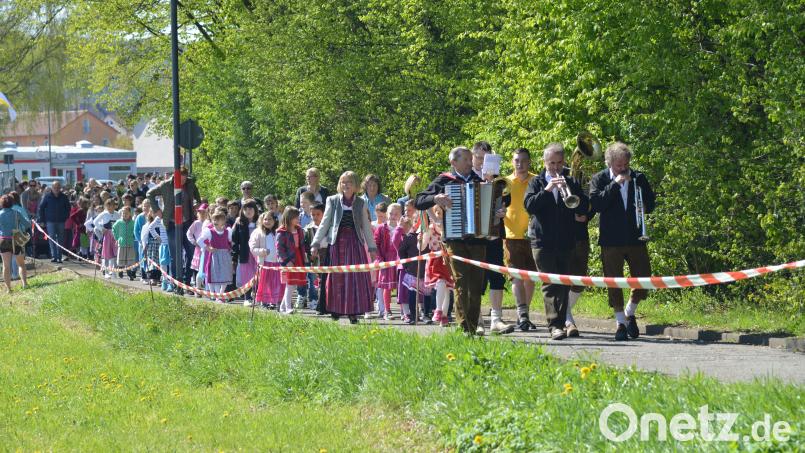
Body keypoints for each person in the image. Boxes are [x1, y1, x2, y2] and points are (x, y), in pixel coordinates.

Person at [415, 146, 487, 334]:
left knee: (476, 283)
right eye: (466, 160)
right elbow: (419, 201)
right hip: (455, 239)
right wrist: (435, 197)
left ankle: (473, 325)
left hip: (477, 240)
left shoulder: (478, 180)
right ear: (453, 162)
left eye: (471, 160)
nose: (470, 163)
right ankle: (465, 327)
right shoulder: (444, 180)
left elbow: (495, 201)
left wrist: (497, 209)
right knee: (462, 282)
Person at [589, 141, 655, 341]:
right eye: (619, 165)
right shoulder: (599, 179)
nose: (624, 169)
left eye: (626, 164)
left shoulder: (638, 178)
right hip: (611, 239)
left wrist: (644, 205)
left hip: (635, 237)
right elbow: (597, 203)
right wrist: (615, 184)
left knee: (643, 279)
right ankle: (620, 323)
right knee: (613, 282)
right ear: (610, 163)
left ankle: (629, 312)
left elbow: (651, 203)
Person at [524, 143, 589, 340]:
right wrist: (548, 189)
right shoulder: (536, 183)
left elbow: (584, 206)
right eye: (551, 163)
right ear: (544, 163)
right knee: (550, 283)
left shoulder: (570, 181)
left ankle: (561, 322)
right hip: (542, 241)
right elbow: (529, 206)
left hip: (565, 241)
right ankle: (554, 325)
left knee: (563, 284)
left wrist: (571, 192)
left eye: (559, 163)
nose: (555, 167)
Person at [311, 171, 377, 324]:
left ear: (355, 186)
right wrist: (315, 243)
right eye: (343, 182)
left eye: (349, 183)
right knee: (337, 277)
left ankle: (353, 311)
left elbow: (366, 226)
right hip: (338, 243)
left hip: (355, 243)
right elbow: (325, 223)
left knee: (355, 277)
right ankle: (335, 309)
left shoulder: (361, 202)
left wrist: (372, 248)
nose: (346, 185)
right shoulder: (332, 200)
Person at [470, 141, 515, 335]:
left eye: (486, 159)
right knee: (476, 279)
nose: (482, 163)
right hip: (472, 237)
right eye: (479, 158)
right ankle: (477, 320)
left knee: (497, 276)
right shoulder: (466, 178)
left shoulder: (500, 181)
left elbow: (506, 201)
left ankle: (496, 319)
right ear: (473, 157)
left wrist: (502, 211)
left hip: (495, 235)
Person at [146, 167, 201, 286]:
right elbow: (149, 194)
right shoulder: (166, 185)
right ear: (175, 177)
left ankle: (186, 281)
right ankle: (177, 281)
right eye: (180, 180)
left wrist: (197, 204)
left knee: (191, 252)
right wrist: (157, 210)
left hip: (187, 222)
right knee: (175, 254)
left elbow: (197, 197)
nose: (183, 182)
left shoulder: (190, 184)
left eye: (184, 180)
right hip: (171, 223)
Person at [504, 148, 539, 332]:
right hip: (512, 236)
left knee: (530, 278)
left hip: (533, 236)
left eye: (524, 160)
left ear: (529, 162)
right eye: (517, 160)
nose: (520, 164)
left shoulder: (537, 180)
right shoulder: (504, 182)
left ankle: (524, 314)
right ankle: (522, 313)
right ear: (512, 162)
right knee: (516, 277)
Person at [373, 202, 403, 320]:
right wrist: (379, 259)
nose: (393, 216)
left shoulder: (402, 227)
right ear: (387, 214)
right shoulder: (381, 228)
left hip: (399, 260)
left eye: (396, 214)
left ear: (400, 215)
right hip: (386, 260)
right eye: (391, 213)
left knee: (401, 286)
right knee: (387, 287)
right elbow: (376, 244)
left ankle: (403, 311)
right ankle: (387, 310)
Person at [276, 206, 307, 314]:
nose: (298, 219)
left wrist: (304, 256)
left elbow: (302, 245)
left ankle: (283, 307)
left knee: (293, 285)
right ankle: (288, 307)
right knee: (289, 284)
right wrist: (286, 261)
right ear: (289, 218)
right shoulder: (282, 232)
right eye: (295, 217)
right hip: (289, 260)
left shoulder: (299, 229)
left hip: (298, 258)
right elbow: (279, 249)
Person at [198, 210, 234, 302]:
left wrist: (230, 248)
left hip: (225, 256)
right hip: (214, 256)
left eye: (219, 219)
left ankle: (220, 294)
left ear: (224, 220)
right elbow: (199, 241)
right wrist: (207, 248)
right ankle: (218, 296)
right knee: (215, 276)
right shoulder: (209, 232)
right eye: (215, 220)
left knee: (225, 275)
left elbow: (231, 241)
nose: (216, 222)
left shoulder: (227, 231)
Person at [250, 211, 284, 309]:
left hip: (277, 263)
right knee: (265, 283)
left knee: (277, 283)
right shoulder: (258, 232)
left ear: (275, 221)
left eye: (270, 219)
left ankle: (275, 301)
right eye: (265, 219)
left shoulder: (278, 231)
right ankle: (264, 301)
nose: (267, 221)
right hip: (265, 263)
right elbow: (252, 247)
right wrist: (262, 251)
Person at [0, 194, 31, 293]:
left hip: (4, 240)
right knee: (21, 264)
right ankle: (25, 284)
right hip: (17, 239)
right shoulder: (17, 213)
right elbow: (27, 224)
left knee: (6, 266)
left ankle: (8, 289)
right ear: (12, 203)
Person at [232, 199, 259, 306]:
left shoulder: (260, 223)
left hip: (258, 255)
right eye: (246, 209)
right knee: (247, 277)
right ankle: (247, 298)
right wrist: (234, 257)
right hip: (245, 254)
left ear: (255, 210)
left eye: (251, 208)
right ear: (242, 210)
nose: (248, 211)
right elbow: (235, 241)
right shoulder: (239, 223)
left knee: (258, 275)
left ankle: (257, 297)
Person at [38, 181, 71, 263]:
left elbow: (68, 208)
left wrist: (65, 217)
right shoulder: (47, 196)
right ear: (52, 188)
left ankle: (59, 257)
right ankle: (54, 256)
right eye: (55, 187)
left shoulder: (64, 197)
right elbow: (41, 208)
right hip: (50, 221)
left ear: (60, 188)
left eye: (58, 187)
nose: (56, 189)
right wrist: (42, 220)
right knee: (51, 238)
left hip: (61, 221)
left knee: (60, 239)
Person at [302, 203, 325, 310]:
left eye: (318, 214)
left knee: (325, 281)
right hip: (314, 260)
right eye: (313, 215)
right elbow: (305, 244)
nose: (315, 217)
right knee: (313, 281)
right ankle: (314, 300)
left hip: (326, 258)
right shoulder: (308, 229)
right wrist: (309, 255)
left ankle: (326, 302)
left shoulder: (328, 227)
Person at [185, 203, 209, 296]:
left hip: (207, 248)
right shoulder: (196, 223)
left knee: (206, 267)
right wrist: (194, 242)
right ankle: (197, 287)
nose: (202, 214)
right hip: (199, 248)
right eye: (200, 212)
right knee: (197, 267)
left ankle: (206, 287)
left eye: (204, 212)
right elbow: (189, 233)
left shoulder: (209, 223)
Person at [93, 199, 121, 279]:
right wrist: (102, 228)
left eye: (111, 205)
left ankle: (113, 270)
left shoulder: (117, 214)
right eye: (108, 205)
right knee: (106, 253)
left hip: (115, 235)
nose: (109, 207)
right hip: (107, 235)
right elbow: (95, 221)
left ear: (114, 206)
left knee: (115, 253)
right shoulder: (104, 214)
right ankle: (106, 271)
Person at [112, 206, 137, 280]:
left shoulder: (133, 222)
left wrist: (134, 237)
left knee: (129, 260)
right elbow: (113, 229)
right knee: (121, 258)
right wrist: (117, 238)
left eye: (126, 213)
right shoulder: (119, 222)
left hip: (130, 243)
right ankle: (120, 271)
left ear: (130, 214)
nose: (124, 214)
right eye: (123, 213)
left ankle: (129, 273)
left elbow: (135, 231)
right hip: (122, 243)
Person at [134, 199, 152, 283]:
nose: (146, 207)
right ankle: (143, 276)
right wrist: (140, 241)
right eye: (144, 206)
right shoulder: (139, 217)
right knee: (142, 258)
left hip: (151, 242)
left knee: (150, 258)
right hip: (142, 242)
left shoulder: (152, 216)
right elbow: (136, 230)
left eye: (148, 205)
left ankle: (151, 276)